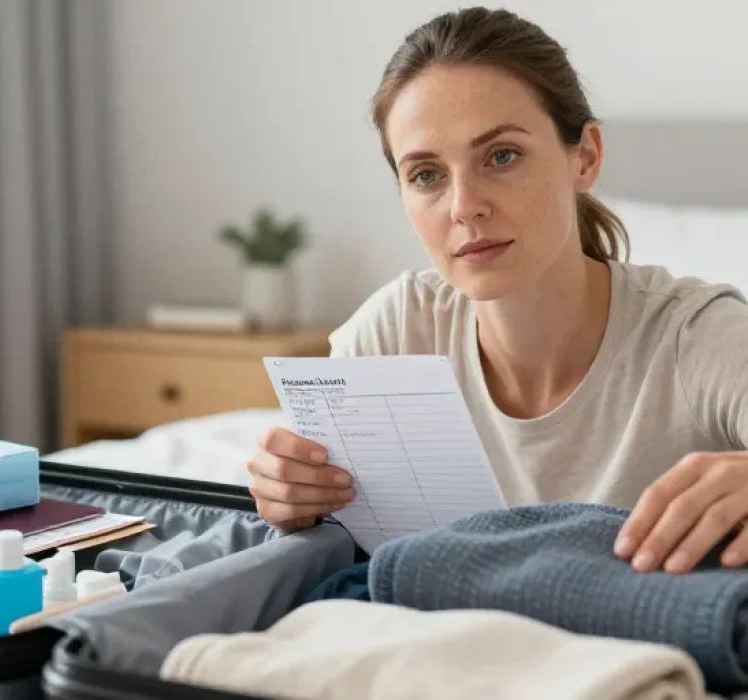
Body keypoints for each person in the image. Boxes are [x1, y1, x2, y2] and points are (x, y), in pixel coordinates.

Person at [247, 6, 748, 576]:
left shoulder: (696, 337)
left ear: (585, 157)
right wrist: (293, 497)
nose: (464, 207)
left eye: (501, 156)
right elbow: (339, 547)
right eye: (426, 175)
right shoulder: (394, 333)